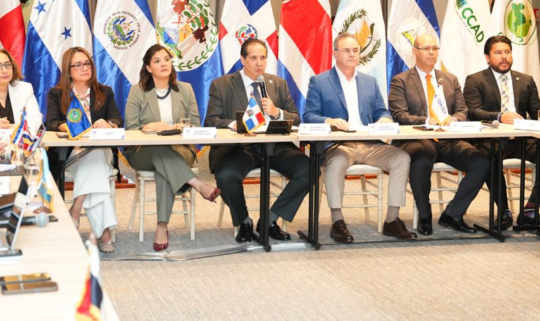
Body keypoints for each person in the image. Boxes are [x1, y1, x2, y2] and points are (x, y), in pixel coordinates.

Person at [304, 33, 416, 242]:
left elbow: (382, 110)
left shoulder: (369, 81)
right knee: (336, 163)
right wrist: (329, 120)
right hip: (339, 145)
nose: (352, 54)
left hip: (370, 144)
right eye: (346, 50)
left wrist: (384, 119)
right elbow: (309, 115)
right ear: (335, 53)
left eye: (355, 50)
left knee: (402, 158)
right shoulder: (319, 81)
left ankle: (392, 220)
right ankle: (337, 221)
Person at [205, 38, 310, 243]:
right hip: (239, 147)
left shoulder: (277, 84)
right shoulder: (222, 85)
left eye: (263, 57)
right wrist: (235, 124)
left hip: (275, 146)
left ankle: (270, 220)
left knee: (309, 169)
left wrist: (277, 112)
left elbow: (296, 118)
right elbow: (211, 121)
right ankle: (244, 222)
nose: (259, 63)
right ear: (243, 59)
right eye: (253, 58)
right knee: (226, 175)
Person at [389, 34, 491, 235]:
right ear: (415, 51)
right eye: (426, 48)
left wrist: (455, 119)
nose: (431, 52)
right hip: (418, 138)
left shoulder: (450, 79)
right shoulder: (401, 81)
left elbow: (463, 110)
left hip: (448, 138)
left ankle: (452, 214)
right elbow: (399, 115)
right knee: (420, 161)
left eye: (435, 49)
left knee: (481, 163)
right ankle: (425, 215)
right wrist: (427, 121)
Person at [124, 44, 220, 252]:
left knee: (164, 164)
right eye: (157, 61)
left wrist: (183, 127)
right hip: (143, 151)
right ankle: (197, 184)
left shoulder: (185, 89)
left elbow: (195, 124)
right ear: (148, 68)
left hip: (180, 149)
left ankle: (161, 226)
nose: (164, 64)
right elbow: (130, 129)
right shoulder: (137, 91)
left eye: (167, 59)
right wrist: (150, 127)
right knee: (160, 151)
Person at [46, 47, 121, 253]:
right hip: (71, 155)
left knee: (94, 156)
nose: (84, 68)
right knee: (95, 168)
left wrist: (109, 124)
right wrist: (67, 127)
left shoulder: (104, 91)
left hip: (100, 151)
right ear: (68, 70)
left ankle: (75, 209)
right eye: (78, 65)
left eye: (87, 63)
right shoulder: (57, 94)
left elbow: (117, 119)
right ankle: (104, 234)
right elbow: (51, 123)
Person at [464, 35, 540, 228]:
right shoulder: (475, 80)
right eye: (498, 53)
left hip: (522, 139)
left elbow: (535, 112)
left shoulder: (526, 80)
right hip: (492, 138)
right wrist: (499, 116)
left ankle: (530, 210)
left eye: (507, 52)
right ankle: (504, 210)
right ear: (487, 57)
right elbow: (472, 111)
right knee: (488, 157)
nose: (504, 56)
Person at [0, 49, 42, 134]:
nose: (5, 70)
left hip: (19, 141)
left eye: (7, 65)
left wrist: (15, 127)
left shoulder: (24, 89)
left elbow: (36, 120)